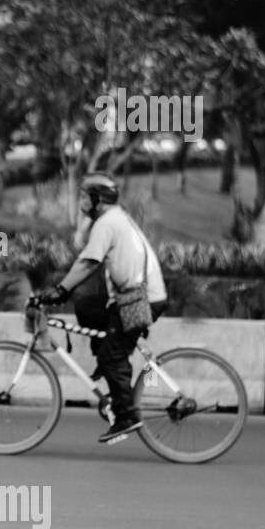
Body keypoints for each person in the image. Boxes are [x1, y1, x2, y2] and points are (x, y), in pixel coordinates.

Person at [37, 172, 168, 444]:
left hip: (140, 301)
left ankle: (125, 418)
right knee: (85, 305)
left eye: (86, 196)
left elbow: (88, 262)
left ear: (98, 199)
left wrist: (60, 290)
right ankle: (106, 364)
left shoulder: (107, 223)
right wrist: (68, 293)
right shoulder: (115, 218)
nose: (82, 201)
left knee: (113, 356)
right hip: (131, 297)